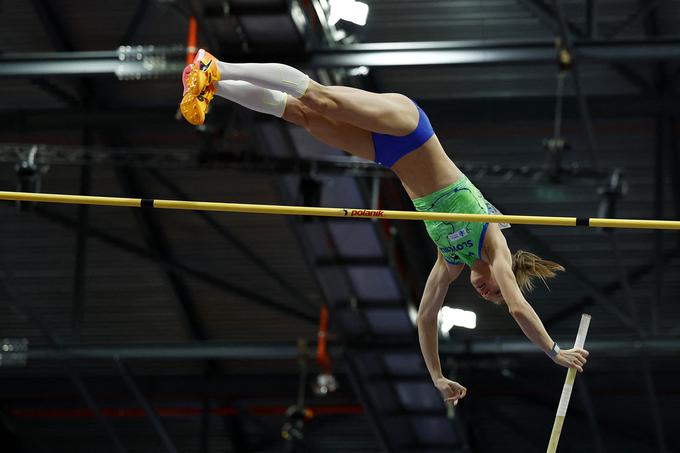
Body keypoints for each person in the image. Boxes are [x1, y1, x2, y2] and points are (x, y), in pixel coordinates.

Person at [180, 49, 590, 406]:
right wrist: (554, 351)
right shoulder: (494, 240)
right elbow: (519, 308)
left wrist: (436, 376)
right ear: (507, 276)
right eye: (497, 291)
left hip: (387, 154)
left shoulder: (452, 260)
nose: (487, 293)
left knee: (303, 116)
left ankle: (211, 86)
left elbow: (426, 317)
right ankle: (218, 65)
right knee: (321, 99)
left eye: (488, 297)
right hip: (410, 128)